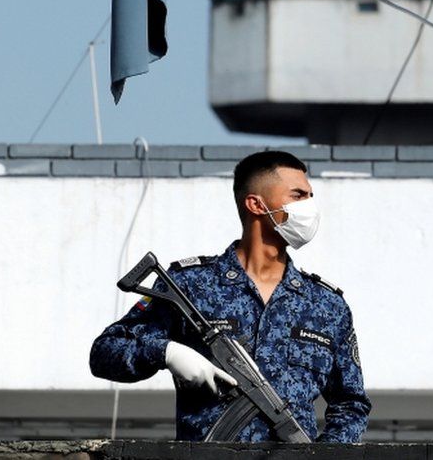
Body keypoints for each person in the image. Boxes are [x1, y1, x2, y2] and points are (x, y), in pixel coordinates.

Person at [89, 150, 370, 442]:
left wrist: (324, 456)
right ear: (256, 204)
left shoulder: (326, 305)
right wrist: (166, 352)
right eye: (298, 195)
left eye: (310, 196)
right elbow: (105, 353)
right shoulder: (192, 285)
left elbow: (351, 404)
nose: (309, 207)